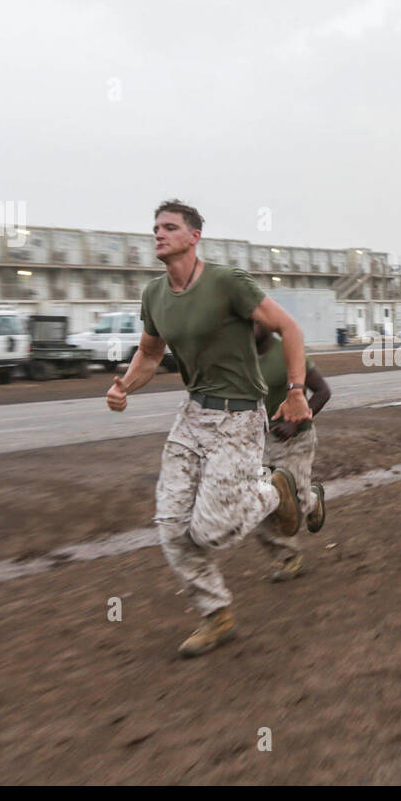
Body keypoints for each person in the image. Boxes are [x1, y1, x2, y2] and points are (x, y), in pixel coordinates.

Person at [106, 199, 310, 657]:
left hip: (238, 416)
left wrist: (296, 390)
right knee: (171, 526)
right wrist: (124, 387)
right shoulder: (155, 295)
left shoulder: (226, 283)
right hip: (192, 415)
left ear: (194, 236)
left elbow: (289, 327)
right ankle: (216, 615)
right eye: (156, 227)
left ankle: (277, 489)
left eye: (170, 227)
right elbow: (151, 354)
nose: (158, 234)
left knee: (213, 529)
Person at [254, 320, 330, 581]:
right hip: (260, 444)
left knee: (292, 505)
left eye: (254, 320)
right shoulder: (239, 359)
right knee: (255, 502)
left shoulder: (287, 351)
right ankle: (289, 557)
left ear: (266, 321)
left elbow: (323, 391)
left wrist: (292, 422)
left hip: (296, 439)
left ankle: (312, 499)